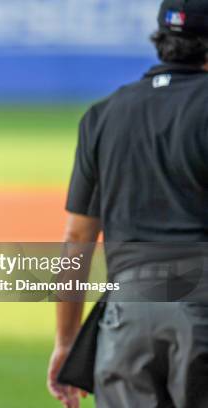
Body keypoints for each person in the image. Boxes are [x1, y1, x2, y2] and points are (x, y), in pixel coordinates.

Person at [47, 1, 208, 407]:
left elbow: (76, 239)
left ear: (161, 40)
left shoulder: (103, 115)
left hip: (126, 314)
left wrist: (66, 344)